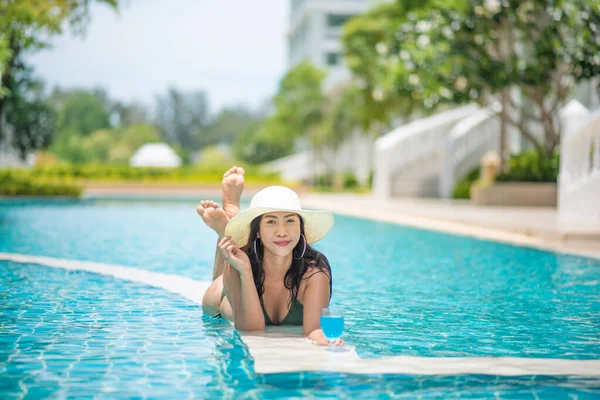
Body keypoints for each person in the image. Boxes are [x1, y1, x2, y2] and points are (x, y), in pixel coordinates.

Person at [197, 166, 342, 346]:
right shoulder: (238, 264)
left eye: (290, 220)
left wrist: (327, 340)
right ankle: (227, 232)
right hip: (226, 300)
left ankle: (231, 232)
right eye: (271, 221)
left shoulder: (314, 272)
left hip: (248, 258)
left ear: (300, 227)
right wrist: (245, 272)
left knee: (236, 254)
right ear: (257, 230)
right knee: (223, 280)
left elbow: (315, 329)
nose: (282, 231)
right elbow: (251, 330)